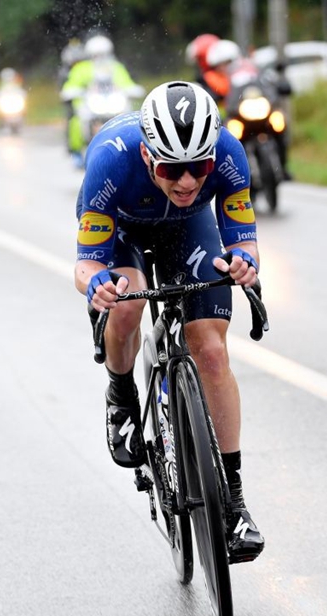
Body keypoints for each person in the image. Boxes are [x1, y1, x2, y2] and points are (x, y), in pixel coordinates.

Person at [74, 81, 265, 562]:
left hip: (188, 227)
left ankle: (234, 502)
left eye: (196, 169)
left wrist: (243, 261)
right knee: (127, 304)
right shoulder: (111, 163)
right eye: (170, 169)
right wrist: (99, 286)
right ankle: (121, 393)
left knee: (213, 352)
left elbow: (244, 239)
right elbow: (86, 266)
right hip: (125, 228)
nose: (185, 182)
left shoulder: (227, 153)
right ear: (146, 156)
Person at [61, 34, 142, 168]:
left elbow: (126, 82)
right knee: (76, 121)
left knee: (131, 119)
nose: (100, 57)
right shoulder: (82, 68)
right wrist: (72, 91)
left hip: (112, 103)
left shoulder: (116, 67)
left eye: (103, 54)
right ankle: (76, 152)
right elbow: (72, 84)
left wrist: (133, 89)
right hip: (89, 104)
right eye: (96, 54)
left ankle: (133, 149)